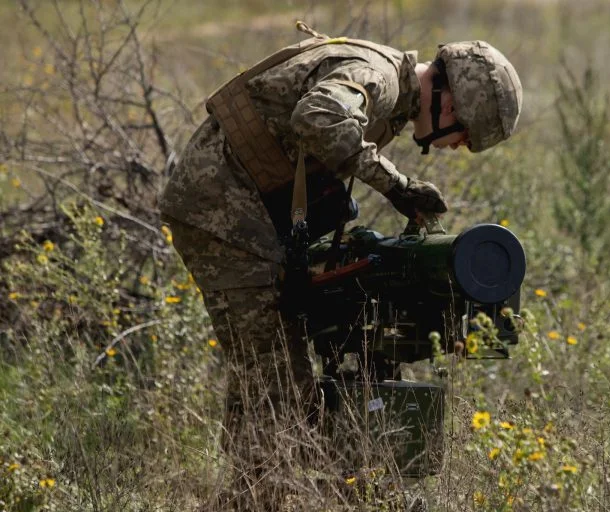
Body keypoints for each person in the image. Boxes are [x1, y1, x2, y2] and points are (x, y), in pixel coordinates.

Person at [158, 22, 522, 511]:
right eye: (464, 137)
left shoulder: (388, 92)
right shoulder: (380, 76)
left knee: (271, 374)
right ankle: (260, 494)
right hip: (222, 212)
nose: (455, 146)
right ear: (452, 105)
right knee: (279, 385)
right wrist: (396, 185)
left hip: (242, 215)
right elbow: (318, 116)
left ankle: (251, 494)